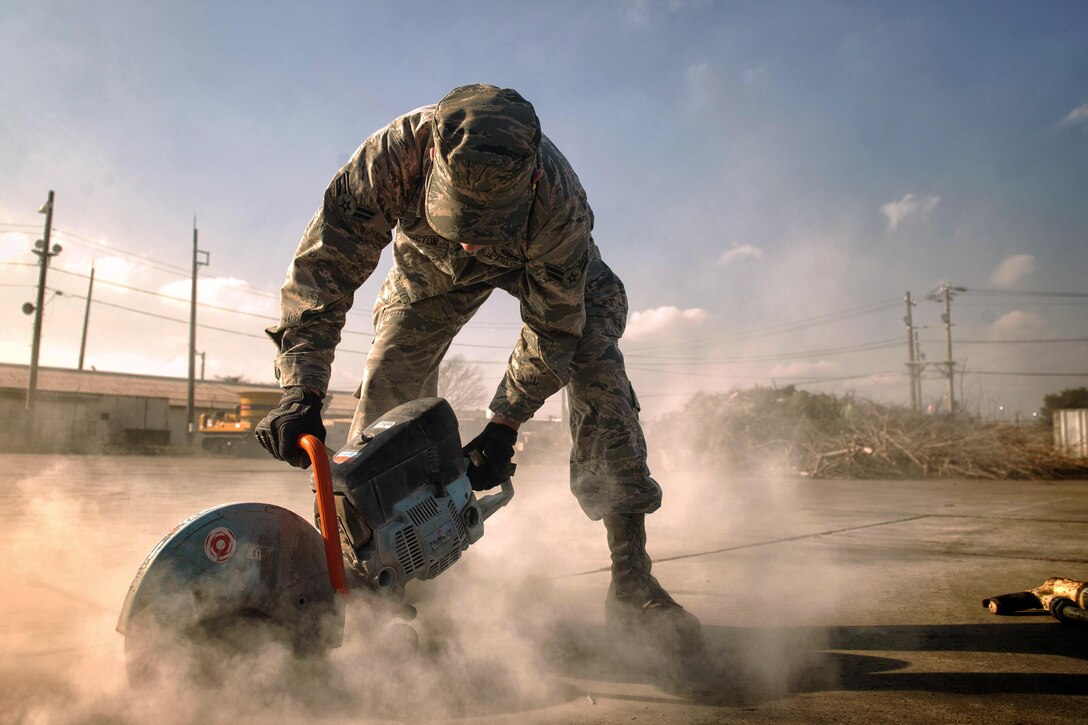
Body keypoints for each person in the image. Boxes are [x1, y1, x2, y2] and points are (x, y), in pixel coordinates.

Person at [255, 83, 701, 648]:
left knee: (596, 365)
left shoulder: (560, 206)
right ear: (433, 162)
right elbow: (323, 272)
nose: (471, 246)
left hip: (544, 267)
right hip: (428, 272)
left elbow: (555, 327)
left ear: (531, 181)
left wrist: (504, 423)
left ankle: (634, 580)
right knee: (388, 391)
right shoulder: (392, 156)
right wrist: (301, 389)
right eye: (461, 223)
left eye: (483, 228)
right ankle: (370, 579)